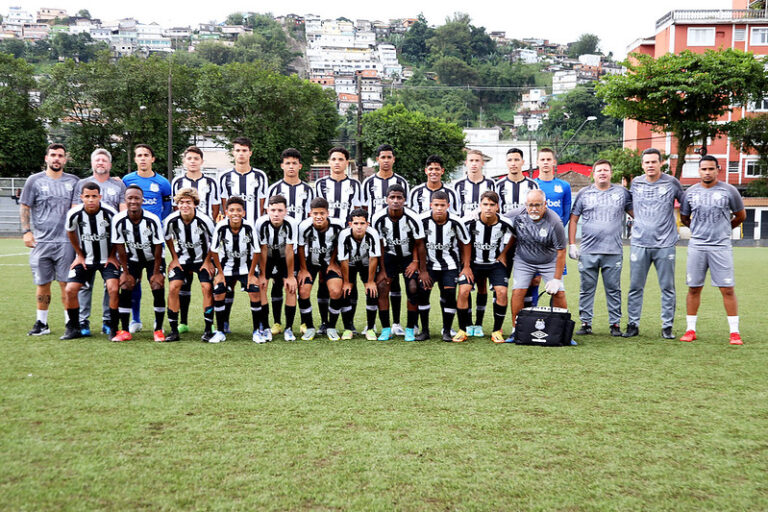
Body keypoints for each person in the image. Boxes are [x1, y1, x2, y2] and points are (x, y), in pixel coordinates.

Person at [679, 155, 746, 345]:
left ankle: (734, 332)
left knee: (727, 289)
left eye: (711, 169)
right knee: (694, 288)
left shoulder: (729, 191)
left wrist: (724, 229)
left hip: (720, 246)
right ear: (699, 171)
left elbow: (741, 216)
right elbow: (685, 218)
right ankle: (690, 329)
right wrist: (699, 231)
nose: (707, 172)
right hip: (697, 245)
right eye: (703, 169)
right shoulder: (690, 193)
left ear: (718, 170)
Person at [568, 159, 633, 337]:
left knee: (613, 289)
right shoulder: (584, 193)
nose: (602, 173)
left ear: (611, 173)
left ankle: (615, 324)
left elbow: (635, 214)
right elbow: (573, 218)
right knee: (586, 288)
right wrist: (572, 243)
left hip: (613, 251)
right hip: (588, 250)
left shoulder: (622, 193)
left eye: (606, 170)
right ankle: (586, 323)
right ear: (593, 174)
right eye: (599, 170)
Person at [20, 143, 80, 336]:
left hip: (66, 242)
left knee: (66, 284)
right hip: (41, 242)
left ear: (65, 160)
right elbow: (25, 207)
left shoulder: (74, 181)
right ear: (46, 158)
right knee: (42, 283)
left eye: (60, 156)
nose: (56, 158)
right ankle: (42, 322)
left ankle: (69, 323)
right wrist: (26, 231)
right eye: (53, 155)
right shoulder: (34, 181)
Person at [624, 148, 684, 339]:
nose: (650, 165)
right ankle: (633, 324)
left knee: (667, 287)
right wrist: (641, 220)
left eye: (654, 162)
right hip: (640, 243)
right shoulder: (636, 183)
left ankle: (667, 327)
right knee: (635, 287)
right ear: (642, 165)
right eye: (647, 162)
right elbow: (629, 206)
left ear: (660, 164)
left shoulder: (671, 183)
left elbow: (685, 204)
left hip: (665, 244)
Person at [74, 148, 126, 337]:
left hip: (110, 245)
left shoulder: (118, 186)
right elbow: (75, 213)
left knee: (110, 285)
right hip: (87, 244)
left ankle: (107, 320)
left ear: (110, 165)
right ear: (92, 163)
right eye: (97, 160)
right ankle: (82, 321)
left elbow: (122, 213)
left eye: (104, 160)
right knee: (84, 284)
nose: (101, 163)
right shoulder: (81, 184)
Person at [506, 189, 569, 342]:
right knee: (518, 290)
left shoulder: (555, 222)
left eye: (537, 205)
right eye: (530, 205)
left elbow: (561, 252)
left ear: (545, 205)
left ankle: (563, 330)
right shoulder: (517, 214)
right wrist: (475, 214)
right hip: (524, 260)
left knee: (559, 293)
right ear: (525, 205)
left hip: (549, 261)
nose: (533, 209)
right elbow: (496, 218)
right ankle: (516, 329)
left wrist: (556, 279)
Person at [123, 144, 172, 334]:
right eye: (139, 155)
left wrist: (158, 224)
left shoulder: (162, 183)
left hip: (154, 240)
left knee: (156, 280)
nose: (143, 158)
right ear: (135, 159)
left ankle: (157, 322)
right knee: (132, 280)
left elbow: (167, 208)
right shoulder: (127, 180)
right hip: (132, 239)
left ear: (153, 159)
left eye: (146, 155)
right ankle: (135, 319)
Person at [60, 182, 120, 340]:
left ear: (100, 197)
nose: (91, 199)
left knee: (113, 289)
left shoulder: (110, 213)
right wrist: (79, 254)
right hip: (86, 259)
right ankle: (74, 328)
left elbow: (118, 236)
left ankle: (113, 327)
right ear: (81, 197)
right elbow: (70, 232)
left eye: (94, 196)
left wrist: (113, 255)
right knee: (70, 290)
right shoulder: (75, 213)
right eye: (87, 196)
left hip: (107, 259)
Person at [171, 146, 220, 334]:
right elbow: (176, 208)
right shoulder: (177, 181)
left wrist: (206, 225)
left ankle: (210, 323)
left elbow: (215, 208)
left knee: (206, 280)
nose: (192, 161)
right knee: (183, 281)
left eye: (196, 158)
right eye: (189, 158)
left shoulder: (211, 182)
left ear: (201, 161)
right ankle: (182, 321)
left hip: (204, 235)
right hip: (184, 235)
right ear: (184, 161)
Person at [361, 144, 409, 336]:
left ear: (393, 159)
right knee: (374, 280)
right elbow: (364, 209)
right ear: (378, 159)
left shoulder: (401, 182)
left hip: (396, 240)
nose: (386, 160)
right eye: (383, 157)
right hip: (374, 238)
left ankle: (396, 323)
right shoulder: (368, 182)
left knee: (395, 282)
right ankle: (370, 324)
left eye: (389, 157)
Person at [314, 147, 363, 334]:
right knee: (324, 280)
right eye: (333, 159)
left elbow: (358, 209)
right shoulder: (320, 184)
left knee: (349, 280)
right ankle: (324, 322)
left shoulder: (355, 185)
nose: (336, 162)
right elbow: (317, 210)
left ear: (346, 163)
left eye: (340, 159)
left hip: (348, 240)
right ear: (329, 162)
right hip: (325, 238)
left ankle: (349, 323)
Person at [371, 184, 427, 341]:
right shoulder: (378, 218)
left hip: (409, 257)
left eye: (399, 198)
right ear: (386, 199)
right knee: (382, 286)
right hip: (389, 257)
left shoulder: (413, 217)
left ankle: (410, 328)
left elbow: (420, 243)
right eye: (392, 197)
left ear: (404, 200)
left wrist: (418, 264)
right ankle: (386, 329)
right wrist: (381, 270)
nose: (395, 201)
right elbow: (378, 245)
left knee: (413, 287)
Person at [112, 185, 167, 342]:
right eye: (130, 198)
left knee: (157, 285)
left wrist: (156, 272)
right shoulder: (119, 219)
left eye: (137, 198)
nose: (133, 201)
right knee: (125, 285)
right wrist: (125, 272)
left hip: (153, 259)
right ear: (125, 200)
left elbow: (158, 247)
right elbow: (120, 247)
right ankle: (124, 330)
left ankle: (158, 329)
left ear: (142, 200)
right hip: (133, 258)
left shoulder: (152, 219)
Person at [459, 191, 515, 343]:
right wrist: (465, 265)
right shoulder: (470, 221)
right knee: (464, 290)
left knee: (502, 292)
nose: (488, 208)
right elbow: (462, 240)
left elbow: (515, 236)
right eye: (485, 204)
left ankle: (497, 331)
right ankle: (463, 329)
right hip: (473, 263)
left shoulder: (505, 222)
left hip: (494, 264)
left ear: (497, 207)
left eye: (492, 205)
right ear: (480, 206)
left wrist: (504, 253)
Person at [418, 191, 472, 343]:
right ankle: (425, 331)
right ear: (431, 205)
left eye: (442, 205)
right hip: (429, 266)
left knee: (449, 296)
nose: (439, 208)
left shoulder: (456, 221)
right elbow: (418, 244)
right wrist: (422, 270)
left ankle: (446, 331)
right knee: (423, 294)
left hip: (450, 265)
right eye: (436, 205)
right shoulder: (422, 220)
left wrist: (466, 266)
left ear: (448, 205)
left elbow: (466, 243)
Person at [452, 149, 496, 337]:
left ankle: (478, 323)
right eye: (471, 160)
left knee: (482, 284)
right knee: (466, 282)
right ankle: (467, 323)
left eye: (478, 160)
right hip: (464, 240)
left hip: (485, 239)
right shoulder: (458, 185)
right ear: (466, 163)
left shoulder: (491, 183)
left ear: (482, 163)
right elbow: (454, 212)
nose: (474, 163)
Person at [163, 188, 216, 342]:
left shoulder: (204, 220)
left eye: (188, 202)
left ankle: (208, 329)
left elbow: (214, 241)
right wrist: (174, 258)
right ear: (177, 204)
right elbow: (167, 238)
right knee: (174, 287)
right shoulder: (171, 220)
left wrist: (208, 261)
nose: (184, 205)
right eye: (181, 202)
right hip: (182, 260)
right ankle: (174, 330)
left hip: (202, 260)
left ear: (195, 204)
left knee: (207, 287)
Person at [211, 197, 263, 343]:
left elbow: (257, 251)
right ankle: (221, 331)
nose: (235, 213)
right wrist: (219, 274)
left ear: (244, 213)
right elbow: (214, 251)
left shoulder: (248, 227)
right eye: (232, 210)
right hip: (226, 268)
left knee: (254, 291)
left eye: (238, 210)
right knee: (219, 292)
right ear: (226, 212)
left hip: (246, 268)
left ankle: (256, 331)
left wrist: (252, 274)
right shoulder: (221, 226)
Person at [296, 197, 346, 341]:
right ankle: (310, 327)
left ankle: (331, 326)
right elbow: (300, 247)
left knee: (336, 291)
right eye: (315, 213)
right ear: (310, 213)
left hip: (329, 263)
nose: (319, 217)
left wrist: (332, 262)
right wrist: (303, 270)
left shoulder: (337, 225)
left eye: (322, 213)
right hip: (310, 263)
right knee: (303, 291)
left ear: (327, 213)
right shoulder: (304, 226)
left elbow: (339, 244)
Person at [256, 195, 300, 341]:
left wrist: (290, 276)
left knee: (291, 287)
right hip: (267, 257)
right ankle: (266, 327)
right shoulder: (261, 223)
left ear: (286, 211)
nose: (276, 214)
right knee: (262, 286)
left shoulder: (291, 223)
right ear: (267, 210)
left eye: (280, 210)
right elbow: (262, 250)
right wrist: (262, 274)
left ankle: (289, 328)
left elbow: (289, 250)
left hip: (283, 258)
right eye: (273, 210)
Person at [337, 208, 381, 340]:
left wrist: (371, 281)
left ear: (367, 224)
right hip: (349, 265)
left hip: (367, 265)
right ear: (350, 224)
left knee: (372, 291)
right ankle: (348, 328)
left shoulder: (373, 234)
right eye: (356, 223)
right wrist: (346, 282)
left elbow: (374, 258)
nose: (359, 227)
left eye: (362, 223)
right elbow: (343, 260)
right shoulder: (344, 235)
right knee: (347, 291)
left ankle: (371, 328)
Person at [219, 136, 269, 222]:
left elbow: (262, 203)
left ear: (250, 153)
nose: (241, 153)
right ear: (233, 153)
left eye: (244, 150)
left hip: (253, 225)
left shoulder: (260, 176)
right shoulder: (224, 176)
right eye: (238, 150)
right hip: (232, 226)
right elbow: (224, 203)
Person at [267, 148, 314, 220]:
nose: (291, 167)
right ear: (282, 166)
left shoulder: (308, 190)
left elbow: (311, 214)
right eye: (288, 163)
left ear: (300, 166)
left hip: (301, 230)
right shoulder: (273, 189)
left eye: (294, 163)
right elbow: (267, 213)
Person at [496, 148, 539, 216]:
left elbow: (537, 208)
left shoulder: (532, 185)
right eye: (510, 160)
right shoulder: (498, 185)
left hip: (526, 225)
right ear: (506, 162)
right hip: (505, 225)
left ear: (522, 162)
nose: (513, 163)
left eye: (516, 160)